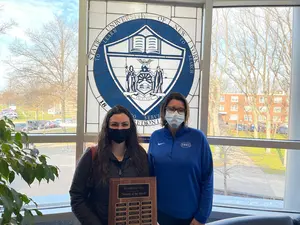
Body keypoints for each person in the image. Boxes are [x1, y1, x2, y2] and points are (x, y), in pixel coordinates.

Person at [69, 105, 149, 225]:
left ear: (131, 127)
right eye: (115, 125)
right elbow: (77, 197)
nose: (120, 128)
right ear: (107, 127)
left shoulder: (140, 155)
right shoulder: (92, 156)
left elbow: (145, 193)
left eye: (124, 124)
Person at [148, 92, 214, 225]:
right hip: (160, 215)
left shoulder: (198, 138)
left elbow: (207, 179)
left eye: (180, 110)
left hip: (190, 217)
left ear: (185, 114)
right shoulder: (156, 137)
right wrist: (149, 213)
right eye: (171, 109)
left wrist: (201, 216)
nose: (175, 113)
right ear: (164, 111)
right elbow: (150, 176)